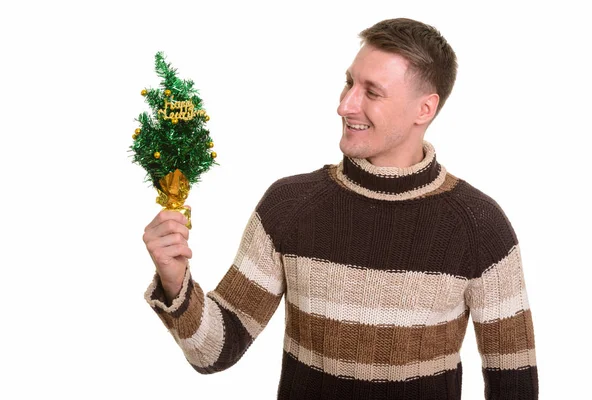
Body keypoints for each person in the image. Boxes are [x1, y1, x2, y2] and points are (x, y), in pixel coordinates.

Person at [142, 18, 538, 400]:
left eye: (372, 92)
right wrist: (176, 281)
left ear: (425, 109)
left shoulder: (481, 227)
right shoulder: (289, 206)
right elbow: (214, 352)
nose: (345, 105)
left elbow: (515, 385)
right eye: (349, 83)